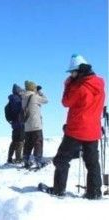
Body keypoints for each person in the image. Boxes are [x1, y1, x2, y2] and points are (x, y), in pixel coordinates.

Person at [46, 54, 105, 199]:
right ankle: (94, 193)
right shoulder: (99, 85)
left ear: (80, 71)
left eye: (72, 72)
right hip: (93, 131)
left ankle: (59, 190)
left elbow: (66, 102)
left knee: (61, 159)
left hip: (76, 130)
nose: (71, 75)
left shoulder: (79, 87)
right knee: (92, 163)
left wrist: (67, 85)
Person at [22, 80, 48, 169]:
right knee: (38, 143)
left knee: (28, 144)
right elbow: (46, 100)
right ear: (33, 88)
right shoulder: (34, 96)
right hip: (36, 125)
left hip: (27, 126)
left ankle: (26, 160)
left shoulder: (23, 97)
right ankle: (38, 161)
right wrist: (39, 91)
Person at [6, 84, 25, 164]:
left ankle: (9, 158)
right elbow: (21, 110)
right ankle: (18, 159)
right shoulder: (18, 100)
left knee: (14, 141)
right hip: (20, 124)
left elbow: (7, 111)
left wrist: (10, 121)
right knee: (20, 141)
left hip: (14, 124)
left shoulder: (10, 101)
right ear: (18, 91)